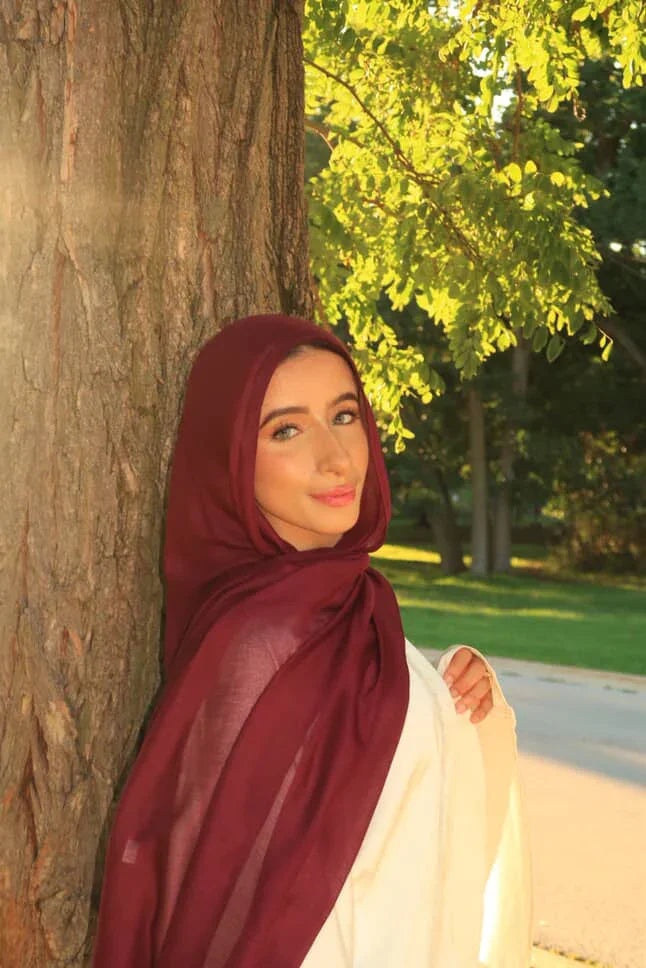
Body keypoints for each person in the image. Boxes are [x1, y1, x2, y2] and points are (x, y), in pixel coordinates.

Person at [92, 314, 532, 967]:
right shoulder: (259, 641)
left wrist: (460, 704)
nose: (334, 455)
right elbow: (251, 907)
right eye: (287, 430)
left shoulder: (356, 608)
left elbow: (400, 817)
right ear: (231, 458)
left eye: (345, 416)